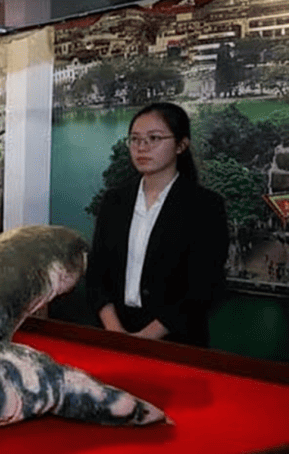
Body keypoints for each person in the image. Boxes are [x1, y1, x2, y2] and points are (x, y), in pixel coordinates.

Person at [86, 102, 228, 347]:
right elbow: (97, 274)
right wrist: (115, 331)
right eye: (135, 139)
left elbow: (203, 286)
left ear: (181, 145)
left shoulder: (205, 206)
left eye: (154, 138)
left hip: (176, 340)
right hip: (114, 334)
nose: (142, 147)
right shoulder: (114, 201)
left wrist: (145, 339)